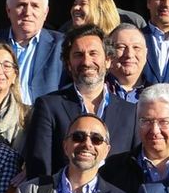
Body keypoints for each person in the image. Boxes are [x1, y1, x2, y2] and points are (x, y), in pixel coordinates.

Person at [24, 26, 139, 179]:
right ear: (68, 63)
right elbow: (39, 168)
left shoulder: (131, 113)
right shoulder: (49, 107)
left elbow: (134, 171)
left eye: (93, 53)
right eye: (78, 55)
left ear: (108, 60)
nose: (86, 61)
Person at [0, 0, 66, 104]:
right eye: (21, 5)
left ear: (45, 12)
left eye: (35, 6)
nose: (28, 12)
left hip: (44, 120)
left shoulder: (63, 45)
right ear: (8, 10)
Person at [107, 24, 150, 102]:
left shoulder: (157, 95)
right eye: (121, 47)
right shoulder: (95, 92)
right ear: (108, 53)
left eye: (136, 47)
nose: (129, 54)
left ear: (146, 54)